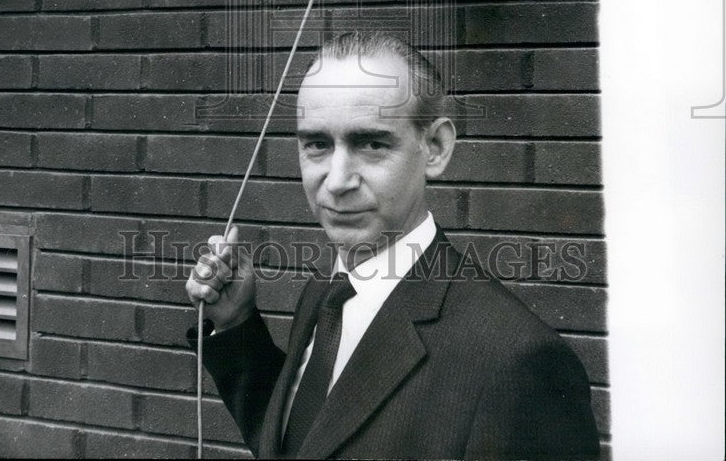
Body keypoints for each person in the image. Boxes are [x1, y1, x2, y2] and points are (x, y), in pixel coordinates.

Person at [186, 32, 599, 460]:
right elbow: (312, 441)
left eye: (371, 144)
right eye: (317, 144)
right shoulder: (326, 296)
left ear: (435, 148)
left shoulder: (517, 362)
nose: (338, 180)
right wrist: (236, 324)